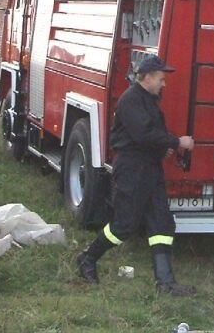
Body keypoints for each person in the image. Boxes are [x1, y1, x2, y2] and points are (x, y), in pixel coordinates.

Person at [76, 55, 196, 296]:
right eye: (161, 79)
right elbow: (143, 135)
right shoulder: (131, 100)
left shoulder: (148, 100)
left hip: (150, 169)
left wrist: (164, 147)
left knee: (161, 224)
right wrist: (177, 141)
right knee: (123, 225)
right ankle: (87, 259)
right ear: (147, 77)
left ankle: (165, 283)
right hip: (132, 170)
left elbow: (150, 134)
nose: (165, 84)